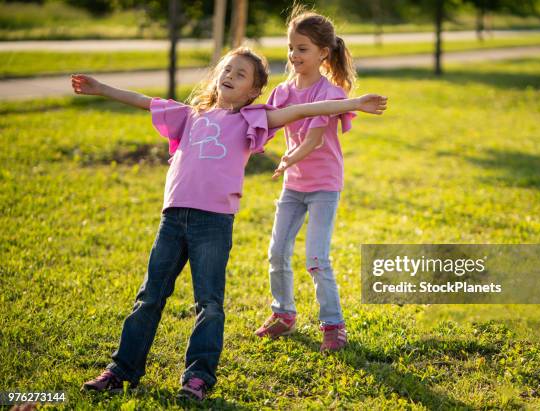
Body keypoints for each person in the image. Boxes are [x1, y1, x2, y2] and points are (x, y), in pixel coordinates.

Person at [72, 47, 387, 400]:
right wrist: (100, 88)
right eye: (227, 69)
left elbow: (303, 110)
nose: (230, 76)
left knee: (209, 304)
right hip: (173, 220)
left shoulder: (252, 120)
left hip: (213, 224)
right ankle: (121, 370)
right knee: (149, 297)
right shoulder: (190, 114)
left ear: (254, 91)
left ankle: (198, 378)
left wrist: (354, 102)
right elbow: (143, 100)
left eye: (241, 74)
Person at [254, 7, 361, 351]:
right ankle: (283, 314)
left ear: (323, 53)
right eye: (291, 47)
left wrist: (287, 160)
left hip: (324, 186)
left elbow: (313, 140)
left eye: (302, 49)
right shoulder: (284, 92)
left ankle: (333, 324)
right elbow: (263, 127)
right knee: (277, 252)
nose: (293, 55)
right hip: (293, 186)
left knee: (316, 258)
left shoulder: (329, 95)